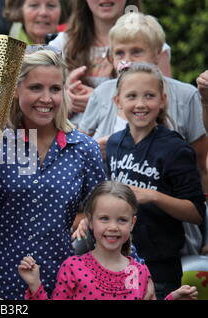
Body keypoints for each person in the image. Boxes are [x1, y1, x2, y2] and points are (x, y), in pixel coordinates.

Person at [0, 47, 106, 300]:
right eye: (36, 87)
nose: (46, 99)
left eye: (55, 89)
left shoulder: (84, 149)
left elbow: (106, 216)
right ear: (16, 90)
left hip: (64, 284)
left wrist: (135, 270)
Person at [105, 62, 205, 299]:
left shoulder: (175, 148)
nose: (140, 104)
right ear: (118, 102)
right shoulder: (113, 144)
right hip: (114, 262)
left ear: (162, 100)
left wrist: (152, 196)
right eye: (132, 96)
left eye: (149, 96)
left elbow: (196, 213)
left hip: (159, 269)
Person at [79, 12, 208, 195]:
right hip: (109, 213)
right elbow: (77, 151)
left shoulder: (186, 95)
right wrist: (93, 149)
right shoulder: (102, 93)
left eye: (137, 51)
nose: (127, 59)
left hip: (166, 212)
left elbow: (201, 164)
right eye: (119, 53)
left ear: (157, 54)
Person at [18, 181, 199, 300]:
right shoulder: (72, 267)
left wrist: (172, 298)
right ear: (90, 220)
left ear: (132, 223)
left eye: (121, 220)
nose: (113, 227)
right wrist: (35, 284)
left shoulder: (137, 271)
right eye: (104, 218)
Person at [48, 0, 171, 126]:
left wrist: (100, 102)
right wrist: (64, 98)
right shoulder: (63, 43)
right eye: (119, 53)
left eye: (136, 52)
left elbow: (166, 109)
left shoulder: (151, 44)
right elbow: (37, 96)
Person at [0, 0, 62, 106]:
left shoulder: (71, 48)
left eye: (51, 6)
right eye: (34, 5)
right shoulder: (4, 54)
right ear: (20, 9)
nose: (43, 13)